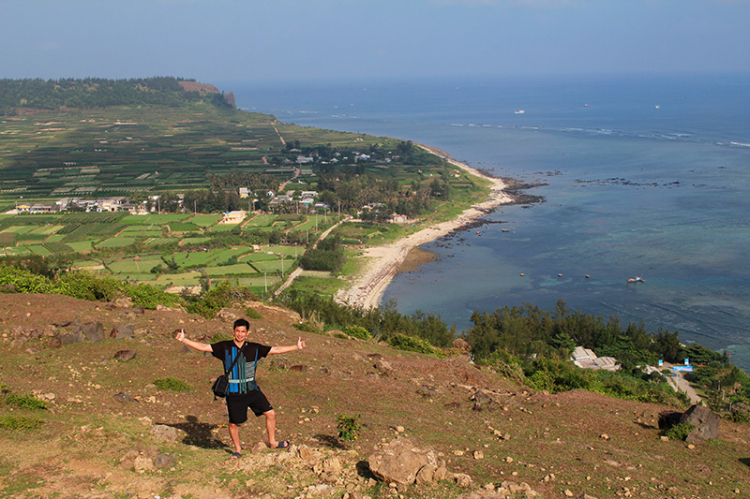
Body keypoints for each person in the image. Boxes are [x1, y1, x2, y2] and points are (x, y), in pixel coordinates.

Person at [175, 318, 305, 459]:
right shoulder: (224, 347)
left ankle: (273, 442)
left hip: (252, 390)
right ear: (233, 331)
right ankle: (238, 450)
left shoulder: (254, 348)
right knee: (233, 423)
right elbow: (204, 347)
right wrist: (184, 340)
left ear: (247, 332)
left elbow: (275, 349)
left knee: (271, 413)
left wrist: (296, 347)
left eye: (243, 331)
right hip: (233, 392)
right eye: (237, 331)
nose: (240, 334)